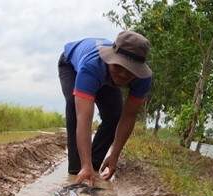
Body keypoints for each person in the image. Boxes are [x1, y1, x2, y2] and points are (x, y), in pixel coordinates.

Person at [58, 30, 153, 185]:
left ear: (138, 71)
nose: (122, 75)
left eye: (130, 72)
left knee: (114, 115)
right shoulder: (92, 66)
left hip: (106, 74)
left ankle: (93, 167)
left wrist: (114, 155)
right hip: (71, 66)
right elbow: (84, 119)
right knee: (75, 111)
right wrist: (84, 163)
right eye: (119, 67)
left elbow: (128, 116)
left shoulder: (142, 79)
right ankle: (78, 170)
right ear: (111, 59)